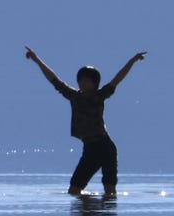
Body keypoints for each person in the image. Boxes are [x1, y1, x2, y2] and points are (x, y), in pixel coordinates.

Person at [25, 46, 147, 196]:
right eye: (80, 81)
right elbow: (54, 80)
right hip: (90, 148)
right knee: (74, 190)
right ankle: (89, 210)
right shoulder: (74, 96)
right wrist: (37, 60)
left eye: (86, 81)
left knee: (110, 191)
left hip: (105, 147)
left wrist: (133, 60)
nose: (82, 84)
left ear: (94, 83)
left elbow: (118, 78)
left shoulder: (100, 95)